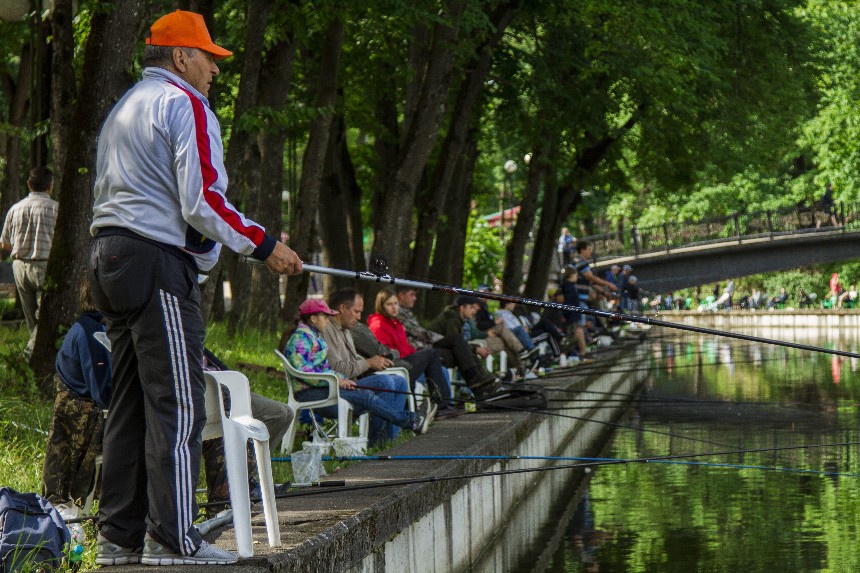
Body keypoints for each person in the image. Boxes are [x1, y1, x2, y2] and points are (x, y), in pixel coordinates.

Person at [88, 10, 302, 566]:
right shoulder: (185, 103)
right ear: (181, 57)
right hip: (155, 265)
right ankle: (172, 539)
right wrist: (264, 245)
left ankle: (117, 540)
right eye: (209, 58)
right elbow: (202, 200)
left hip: (108, 259)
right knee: (179, 405)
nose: (215, 70)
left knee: (128, 405)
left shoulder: (124, 107)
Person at [285, 299, 434, 447]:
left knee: (375, 390)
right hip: (309, 392)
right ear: (313, 319)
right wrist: (337, 380)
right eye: (325, 317)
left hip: (325, 388)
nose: (328, 321)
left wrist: (342, 379)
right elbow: (305, 372)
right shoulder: (300, 339)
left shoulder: (313, 337)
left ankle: (397, 432)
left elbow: (323, 369)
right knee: (366, 395)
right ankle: (410, 422)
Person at [323, 289, 435, 444]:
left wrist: (370, 365)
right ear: (342, 308)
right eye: (356, 312)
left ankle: (389, 438)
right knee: (385, 382)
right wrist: (369, 363)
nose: (359, 317)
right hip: (339, 385)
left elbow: (354, 362)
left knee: (400, 382)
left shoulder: (346, 329)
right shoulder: (328, 330)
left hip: (353, 380)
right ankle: (377, 440)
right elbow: (339, 368)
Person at [0, 167, 58, 358]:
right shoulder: (56, 209)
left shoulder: (15, 209)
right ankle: (28, 356)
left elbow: (4, 244)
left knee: (31, 319)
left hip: (19, 266)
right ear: (50, 186)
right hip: (44, 265)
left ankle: (33, 358)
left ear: (29, 185)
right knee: (44, 318)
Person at [394, 286, 497, 393]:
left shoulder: (407, 313)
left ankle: (479, 385)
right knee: (458, 342)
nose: (415, 298)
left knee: (460, 349)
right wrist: (475, 348)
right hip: (424, 348)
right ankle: (478, 384)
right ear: (401, 295)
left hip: (431, 346)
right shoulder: (452, 317)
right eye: (412, 295)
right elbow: (421, 333)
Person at [366, 288, 453, 409]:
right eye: (389, 304)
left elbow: (406, 347)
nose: (394, 307)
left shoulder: (396, 323)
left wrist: (418, 356)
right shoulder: (378, 325)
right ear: (381, 306)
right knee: (431, 354)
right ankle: (442, 405)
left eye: (396, 303)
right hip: (395, 365)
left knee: (439, 366)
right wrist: (418, 357)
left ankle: (443, 404)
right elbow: (385, 353)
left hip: (406, 360)